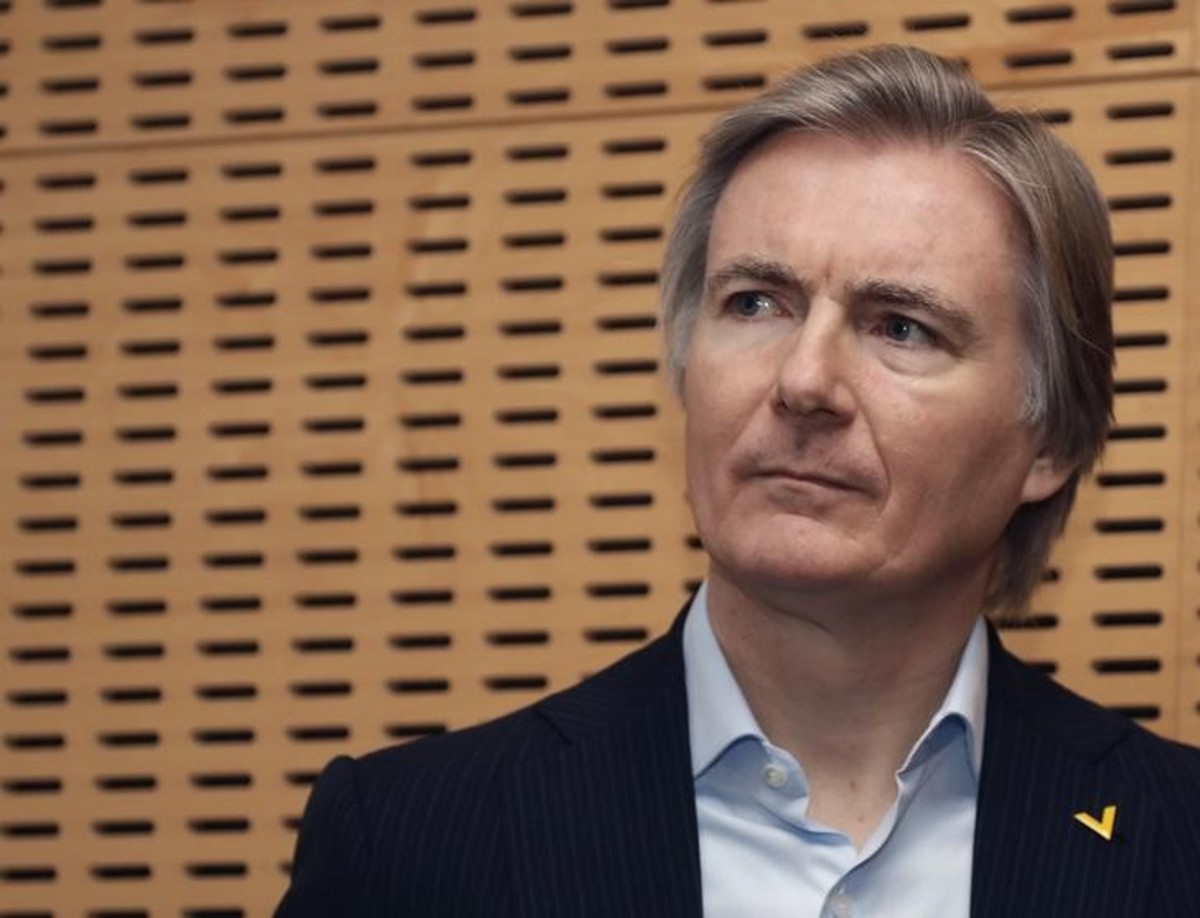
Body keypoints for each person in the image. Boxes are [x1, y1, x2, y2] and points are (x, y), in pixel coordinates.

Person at [275, 45, 1200, 916]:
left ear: (1050, 442)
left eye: (901, 327)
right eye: (756, 303)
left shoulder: (1179, 842)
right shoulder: (407, 846)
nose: (803, 381)